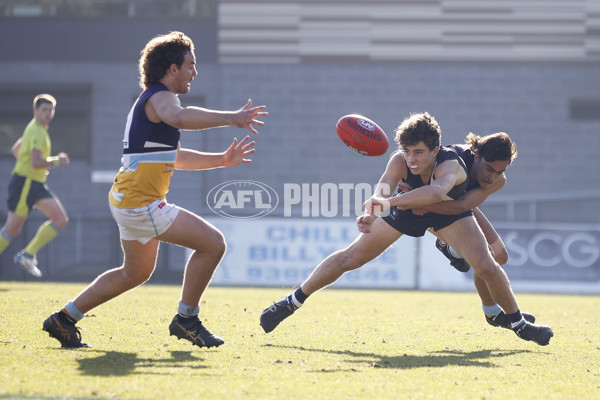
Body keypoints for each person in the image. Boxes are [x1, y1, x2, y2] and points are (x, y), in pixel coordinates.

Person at [42, 31, 268, 348]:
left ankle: (63, 319)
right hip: (141, 203)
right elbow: (179, 116)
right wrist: (231, 118)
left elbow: (173, 157)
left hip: (128, 200)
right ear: (172, 69)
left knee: (134, 273)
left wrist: (221, 159)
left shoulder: (152, 101)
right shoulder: (162, 98)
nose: (195, 72)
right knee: (213, 244)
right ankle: (186, 320)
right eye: (190, 64)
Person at [260, 112, 553, 346]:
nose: (412, 160)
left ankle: (518, 324)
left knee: (486, 265)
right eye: (408, 152)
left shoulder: (451, 164)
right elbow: (383, 188)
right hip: (408, 208)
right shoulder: (400, 160)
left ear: (436, 150)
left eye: (419, 153)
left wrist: (391, 204)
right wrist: (372, 212)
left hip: (447, 213)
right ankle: (291, 302)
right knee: (351, 258)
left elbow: (444, 196)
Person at [399, 132, 535, 330]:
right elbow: (438, 200)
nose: (493, 177)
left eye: (500, 171)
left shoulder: (499, 180)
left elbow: (463, 206)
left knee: (501, 257)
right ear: (477, 154)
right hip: (426, 202)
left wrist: (427, 206)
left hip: (456, 206)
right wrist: (417, 201)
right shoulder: (454, 159)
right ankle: (492, 311)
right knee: (483, 258)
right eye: (489, 169)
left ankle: (454, 254)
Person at [0, 94, 70, 278]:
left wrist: (31, 166)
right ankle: (27, 255)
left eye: (51, 109)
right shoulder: (37, 131)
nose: (48, 113)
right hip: (25, 184)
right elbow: (36, 162)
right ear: (35, 111)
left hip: (34, 184)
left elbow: (17, 149)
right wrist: (57, 161)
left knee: (61, 219)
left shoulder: (34, 129)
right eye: (44, 109)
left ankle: (27, 255)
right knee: (11, 229)